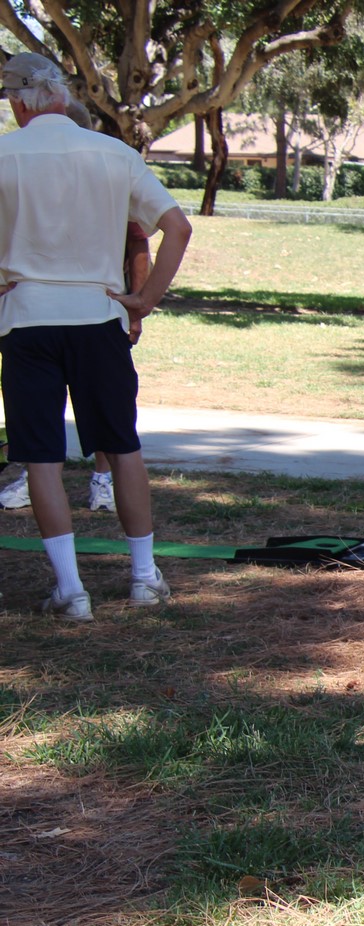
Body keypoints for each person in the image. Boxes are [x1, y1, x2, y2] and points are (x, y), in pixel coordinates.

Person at [0, 53, 192, 621]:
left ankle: (71, 589)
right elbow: (177, 228)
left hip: (26, 317)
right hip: (98, 315)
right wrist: (145, 298)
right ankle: (142, 577)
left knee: (40, 457)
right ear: (62, 94)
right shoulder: (115, 153)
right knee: (123, 446)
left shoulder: (4, 155)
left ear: (17, 102)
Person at [0, 98, 150, 515]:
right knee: (44, 427)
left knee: (110, 424)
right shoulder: (22, 164)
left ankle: (99, 480)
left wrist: (138, 304)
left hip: (97, 307)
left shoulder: (107, 167)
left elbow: (139, 240)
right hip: (40, 311)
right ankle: (37, 478)